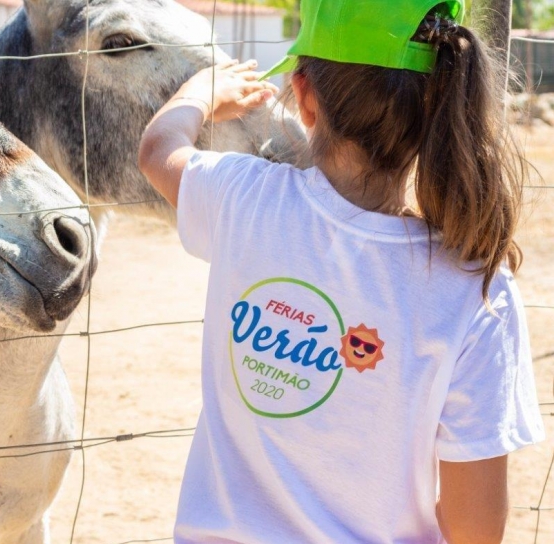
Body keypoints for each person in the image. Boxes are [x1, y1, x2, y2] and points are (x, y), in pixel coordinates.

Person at [137, 0, 546, 542]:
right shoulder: (477, 291)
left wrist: (200, 95)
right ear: (440, 101)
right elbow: (478, 529)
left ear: (303, 96)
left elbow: (158, 151)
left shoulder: (242, 197)